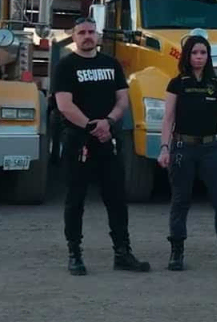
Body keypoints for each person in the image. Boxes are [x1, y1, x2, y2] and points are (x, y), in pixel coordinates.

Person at [53, 17, 151, 276]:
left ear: (98, 36)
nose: (87, 36)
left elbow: (122, 99)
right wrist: (90, 127)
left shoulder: (111, 64)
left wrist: (108, 122)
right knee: (75, 200)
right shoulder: (66, 66)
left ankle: (122, 253)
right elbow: (64, 105)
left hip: (108, 140)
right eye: (81, 32)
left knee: (117, 199)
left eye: (91, 32)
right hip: (78, 142)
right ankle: (75, 254)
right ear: (73, 37)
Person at [158, 35, 217, 272]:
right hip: (182, 148)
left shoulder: (216, 85)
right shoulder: (177, 83)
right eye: (194, 53)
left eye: (203, 53)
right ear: (187, 56)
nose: (199, 57)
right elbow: (168, 118)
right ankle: (176, 253)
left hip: (210, 149)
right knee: (181, 201)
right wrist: (165, 148)